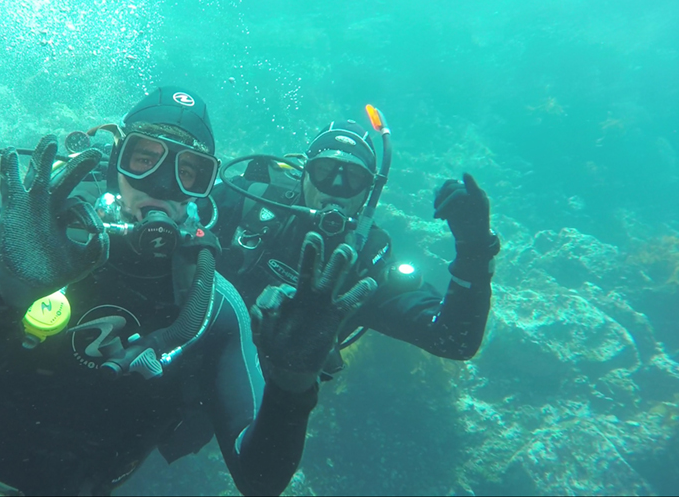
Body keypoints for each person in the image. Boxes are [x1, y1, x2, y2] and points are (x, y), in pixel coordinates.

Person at [0, 87, 359, 496]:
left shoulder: (212, 305)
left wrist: (293, 387)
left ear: (206, 189)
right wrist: (3, 294)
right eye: (144, 159)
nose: (163, 186)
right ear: (113, 162)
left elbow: (259, 480)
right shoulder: (13, 245)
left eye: (188, 172)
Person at [211, 118, 500, 377]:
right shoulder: (247, 200)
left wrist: (474, 250)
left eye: (354, 177)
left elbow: (454, 341)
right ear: (303, 173)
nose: (336, 186)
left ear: (369, 191)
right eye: (324, 170)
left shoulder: (369, 261)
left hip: (271, 388)